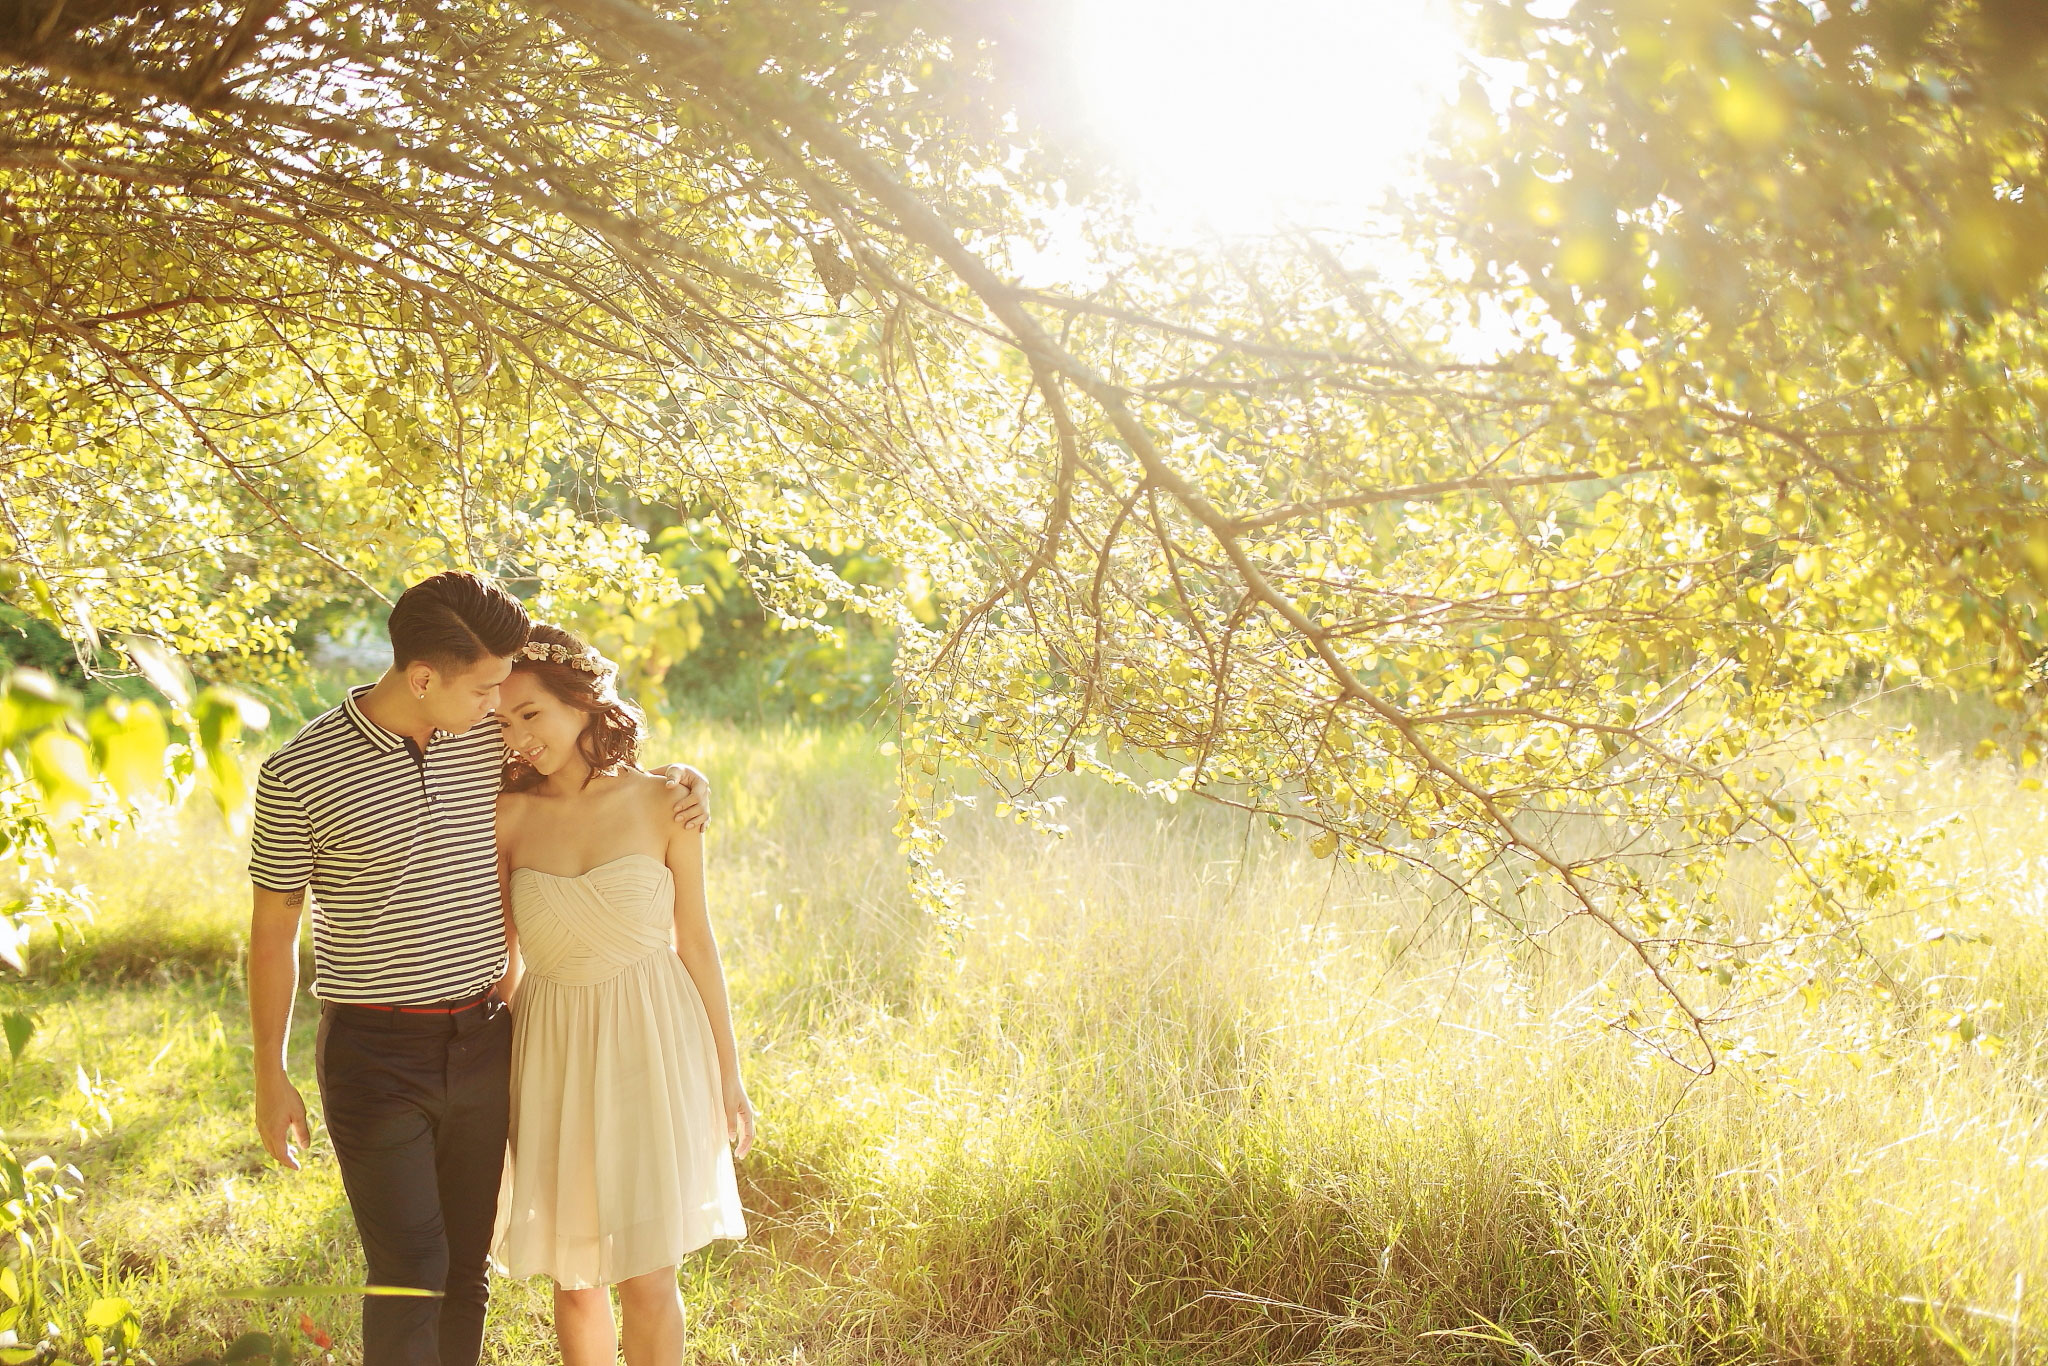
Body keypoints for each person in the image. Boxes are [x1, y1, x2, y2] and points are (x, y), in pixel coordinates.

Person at [246, 572, 711, 1366]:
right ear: (424, 679)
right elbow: (273, 928)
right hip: (373, 1051)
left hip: (488, 1041)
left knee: (465, 1271)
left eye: (506, 694)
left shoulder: (481, 741)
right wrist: (268, 1069)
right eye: (487, 688)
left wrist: (682, 779)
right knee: (412, 1267)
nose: (501, 709)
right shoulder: (297, 775)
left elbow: (575, 751)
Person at [492, 623, 752, 1366]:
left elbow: (695, 941)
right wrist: (497, 1086)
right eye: (503, 723)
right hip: (552, 1048)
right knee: (573, 1281)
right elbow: (503, 964)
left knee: (646, 1273)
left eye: (531, 714)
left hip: (651, 1039)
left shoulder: (666, 801)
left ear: (581, 701)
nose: (518, 737)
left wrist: (729, 1075)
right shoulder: (506, 816)